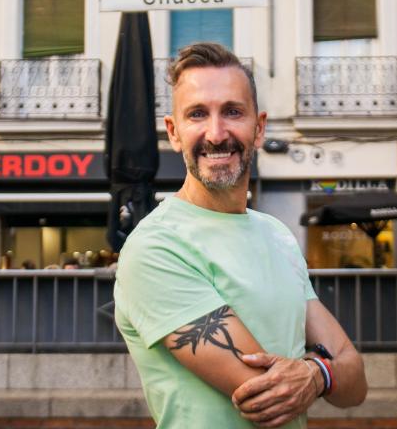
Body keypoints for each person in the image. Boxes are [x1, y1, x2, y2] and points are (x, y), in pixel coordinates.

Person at [114, 43, 367, 428]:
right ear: (174, 132)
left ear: (259, 128)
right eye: (197, 114)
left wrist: (316, 375)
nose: (216, 134)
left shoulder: (277, 234)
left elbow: (355, 382)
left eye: (233, 112)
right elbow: (265, 395)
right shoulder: (157, 246)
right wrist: (324, 370)